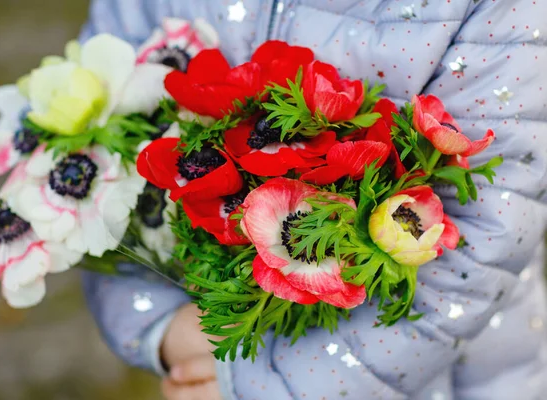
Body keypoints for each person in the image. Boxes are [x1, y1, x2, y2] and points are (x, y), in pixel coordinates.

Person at [79, 1, 547, 399]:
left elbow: (487, 232)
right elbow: (90, 141)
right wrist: (158, 326)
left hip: (427, 370)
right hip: (200, 356)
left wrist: (274, 387)